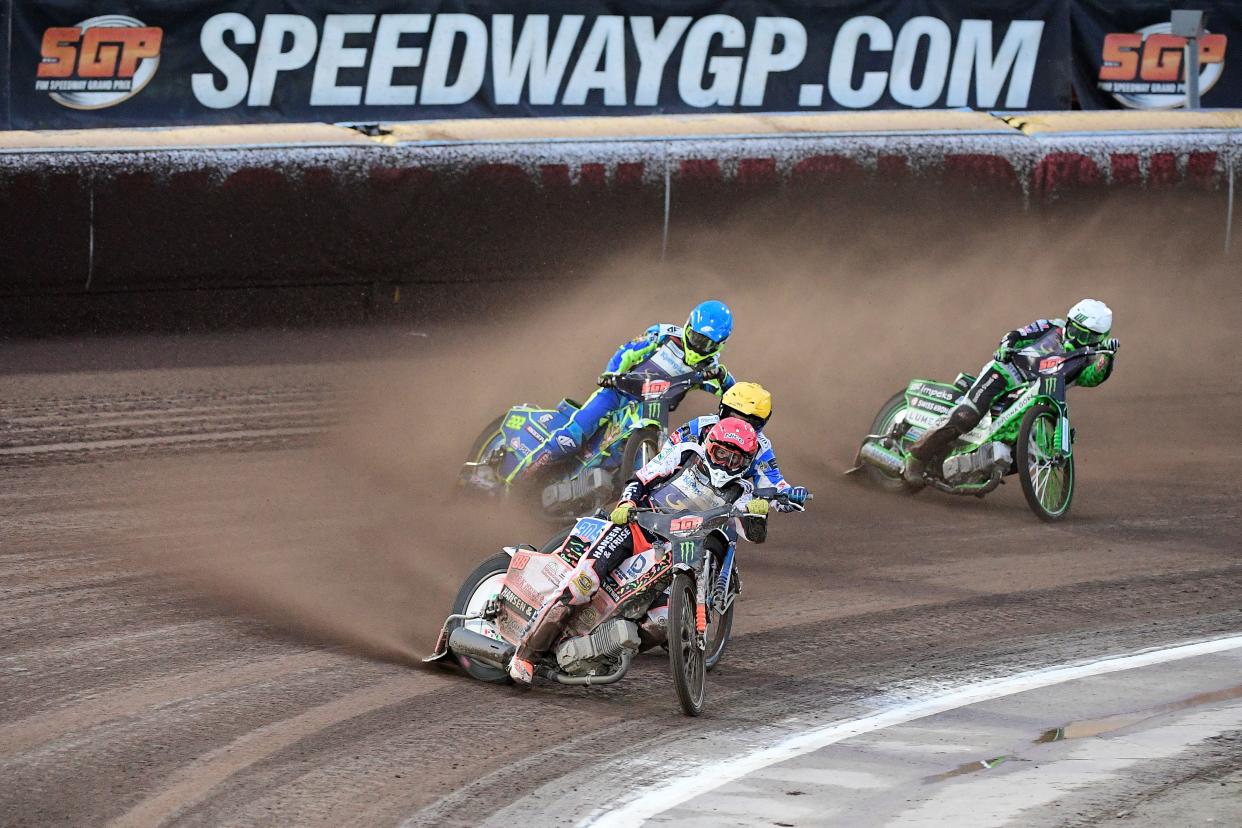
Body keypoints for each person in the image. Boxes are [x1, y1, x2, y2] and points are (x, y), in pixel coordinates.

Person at [508, 417, 768, 684]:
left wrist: (758, 516)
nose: (726, 464)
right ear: (710, 446)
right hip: (637, 529)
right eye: (722, 454)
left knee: (664, 622)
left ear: (747, 462)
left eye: (735, 460)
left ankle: (596, 654)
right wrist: (626, 503)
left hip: (676, 553)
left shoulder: (744, 490)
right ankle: (526, 655)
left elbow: (752, 534)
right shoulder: (686, 454)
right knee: (582, 584)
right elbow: (640, 478)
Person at [504, 300, 737, 484]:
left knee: (648, 469)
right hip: (618, 394)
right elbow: (627, 352)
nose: (698, 346)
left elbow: (731, 397)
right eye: (696, 337)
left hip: (651, 412)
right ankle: (518, 481)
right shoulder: (663, 335)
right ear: (688, 326)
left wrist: (724, 379)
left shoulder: (710, 369)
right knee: (570, 438)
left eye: (706, 344)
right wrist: (611, 374)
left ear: (719, 345)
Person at [905, 298, 1120, 482]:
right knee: (967, 416)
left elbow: (1093, 378)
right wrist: (1006, 345)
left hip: (1036, 396)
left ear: (1099, 339)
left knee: (1026, 450)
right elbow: (1017, 334)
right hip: (1006, 373)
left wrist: (1107, 357)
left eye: (1087, 338)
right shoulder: (1051, 327)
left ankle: (975, 467)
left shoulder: (1087, 359)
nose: (1077, 340)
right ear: (1069, 322)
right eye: (1075, 331)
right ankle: (916, 458)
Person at [665, 381, 809, 512]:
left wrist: (791, 495)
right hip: (678, 490)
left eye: (748, 420)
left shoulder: (761, 448)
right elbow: (666, 454)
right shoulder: (700, 426)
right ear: (722, 410)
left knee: (756, 514)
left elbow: (774, 483)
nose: (738, 425)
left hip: (722, 509)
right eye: (732, 415)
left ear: (761, 422)